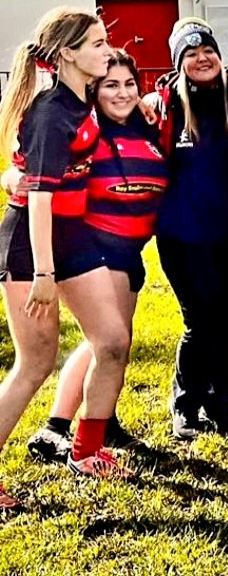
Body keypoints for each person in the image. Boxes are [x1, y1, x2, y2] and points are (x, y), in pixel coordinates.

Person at [0, 8, 131, 510]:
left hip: (73, 235)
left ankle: (87, 450)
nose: (107, 50)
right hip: (32, 246)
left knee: (113, 342)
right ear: (68, 54)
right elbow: (37, 197)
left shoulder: (83, 100)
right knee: (35, 363)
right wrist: (44, 274)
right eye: (97, 44)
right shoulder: (52, 113)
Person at [23, 51, 167, 463]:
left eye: (129, 84)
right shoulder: (86, 131)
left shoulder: (147, 127)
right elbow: (31, 170)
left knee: (105, 344)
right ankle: (62, 431)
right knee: (109, 342)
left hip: (133, 250)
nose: (122, 93)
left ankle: (85, 424)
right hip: (96, 248)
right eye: (110, 85)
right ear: (94, 90)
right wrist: (13, 177)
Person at [147, 18, 228, 440]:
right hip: (183, 234)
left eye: (207, 50)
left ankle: (222, 401)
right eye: (190, 54)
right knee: (201, 319)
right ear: (178, 63)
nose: (201, 58)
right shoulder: (165, 107)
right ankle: (186, 403)